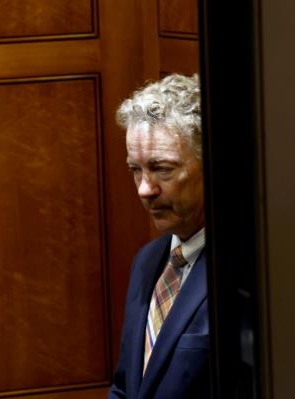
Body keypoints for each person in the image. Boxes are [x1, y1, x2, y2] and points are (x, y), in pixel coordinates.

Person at [108, 73, 209, 399]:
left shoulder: (248, 276)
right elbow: (125, 387)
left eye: (162, 169)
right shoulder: (148, 261)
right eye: (135, 169)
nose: (144, 189)